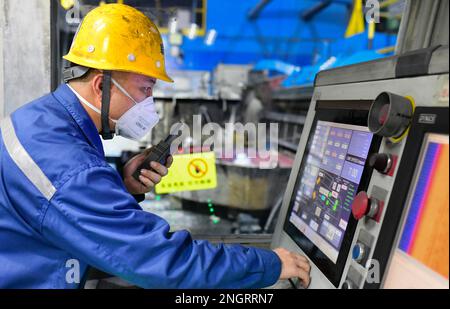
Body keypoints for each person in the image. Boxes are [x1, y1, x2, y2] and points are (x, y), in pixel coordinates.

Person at [0, 3, 310, 288]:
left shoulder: (49, 123)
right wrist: (270, 264)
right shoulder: (69, 165)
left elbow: (66, 215)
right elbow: (161, 261)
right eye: (145, 88)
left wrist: (124, 186)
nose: (149, 102)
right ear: (100, 86)